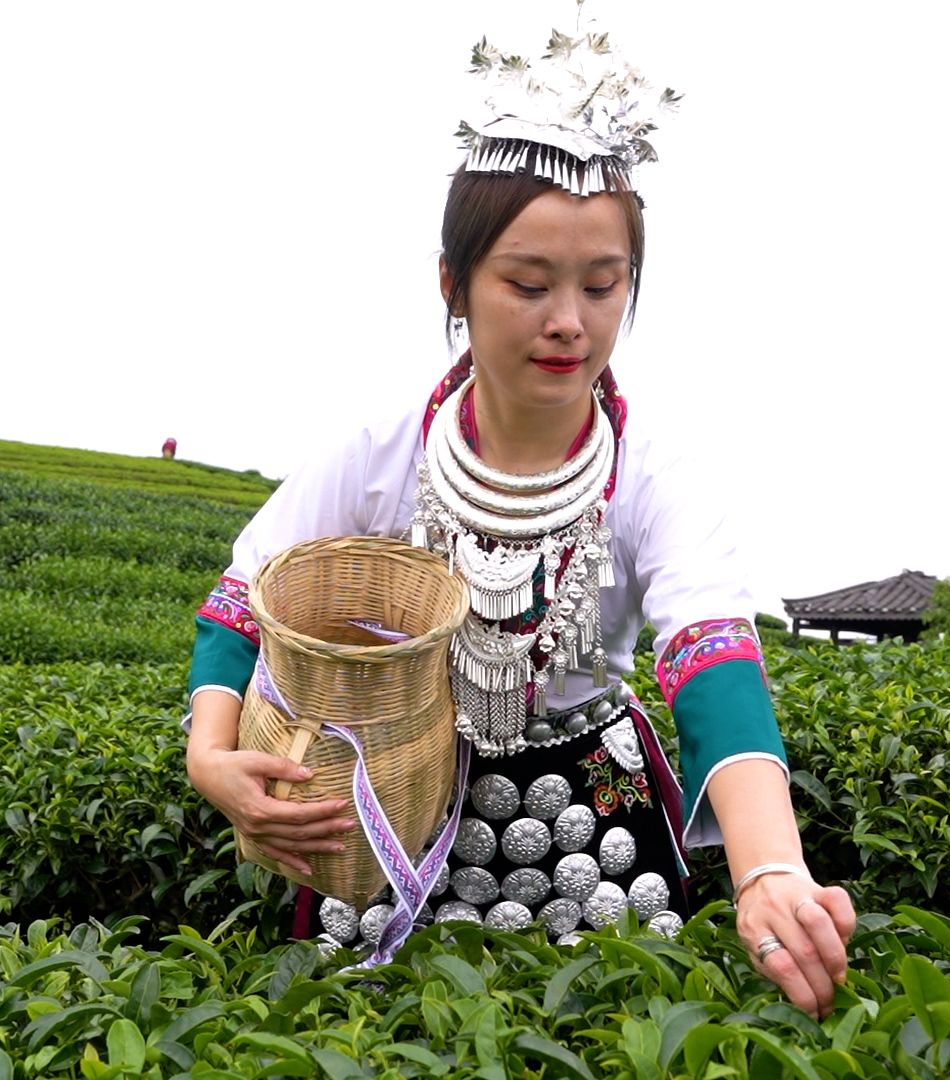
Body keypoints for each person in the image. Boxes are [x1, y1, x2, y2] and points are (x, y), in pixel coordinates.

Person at [183, 21, 854, 1018]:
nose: (570, 323)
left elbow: (715, 659)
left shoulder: (654, 472)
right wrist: (210, 758)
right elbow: (244, 598)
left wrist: (769, 872)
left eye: (603, 284)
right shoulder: (382, 447)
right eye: (529, 285)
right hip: (401, 812)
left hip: (600, 828)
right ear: (453, 283)